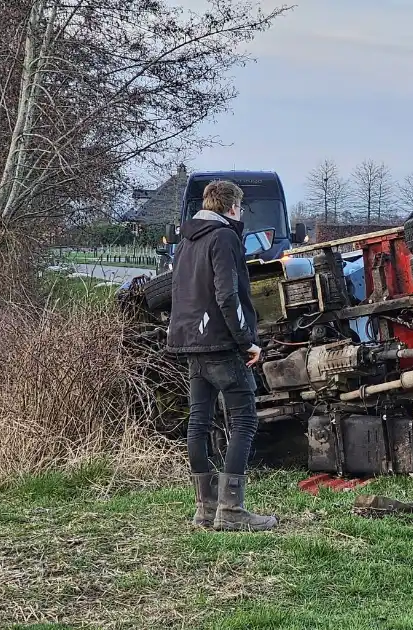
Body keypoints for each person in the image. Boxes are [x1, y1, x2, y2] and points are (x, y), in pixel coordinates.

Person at [166, 180, 277, 531]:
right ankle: (231, 510)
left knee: (199, 421)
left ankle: (205, 508)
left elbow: (179, 292)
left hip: (188, 343)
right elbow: (227, 295)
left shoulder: (187, 241)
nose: (240, 214)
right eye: (240, 209)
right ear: (232, 208)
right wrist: (247, 342)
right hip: (221, 344)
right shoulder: (225, 237)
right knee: (243, 421)